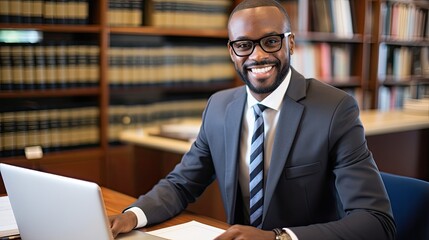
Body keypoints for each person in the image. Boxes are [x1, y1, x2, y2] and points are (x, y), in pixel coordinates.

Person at [110, 0, 396, 239]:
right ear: (232, 51)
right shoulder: (220, 107)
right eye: (244, 45)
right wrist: (133, 216)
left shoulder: (336, 110)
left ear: (291, 43)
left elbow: (376, 221)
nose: (258, 56)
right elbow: (181, 184)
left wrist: (278, 238)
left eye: (271, 41)